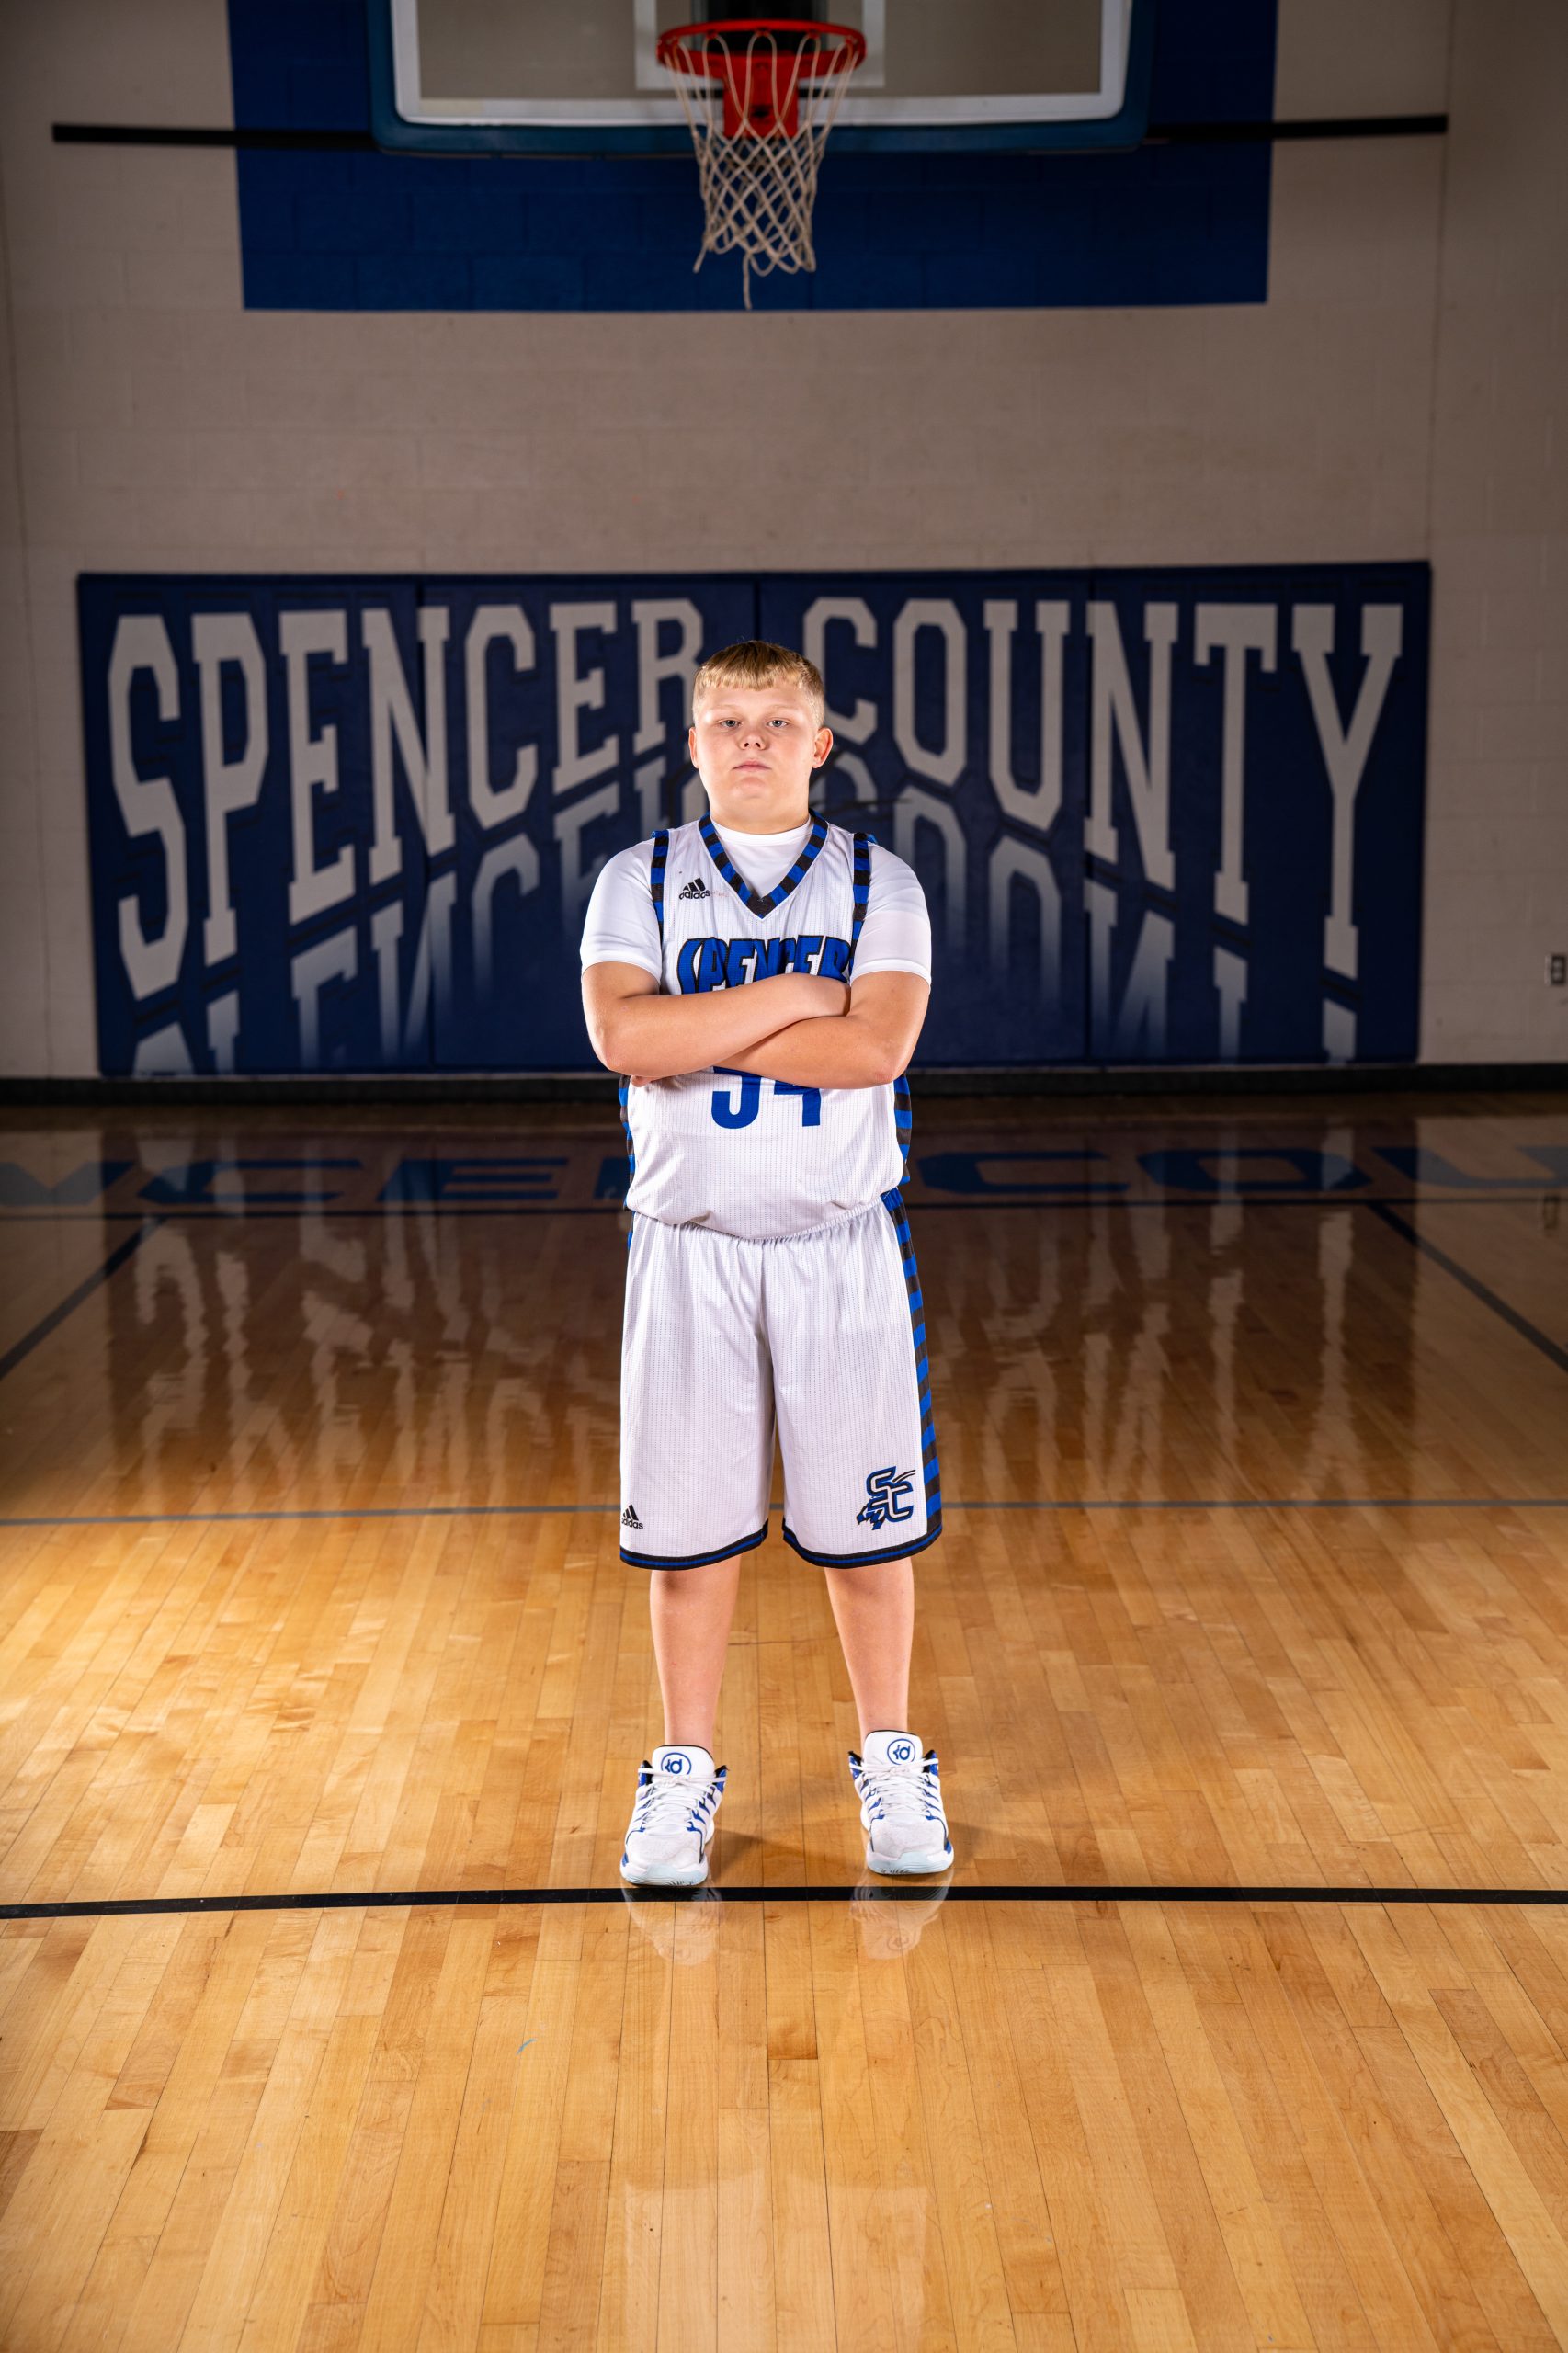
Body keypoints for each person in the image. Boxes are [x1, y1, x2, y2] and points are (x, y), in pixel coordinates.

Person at [580, 639, 950, 1888]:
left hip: (837, 1246)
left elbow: (874, 1053)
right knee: (688, 1543)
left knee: (869, 1535)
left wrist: (691, 1032)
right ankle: (682, 1770)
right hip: (688, 1249)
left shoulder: (879, 883)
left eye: (777, 722)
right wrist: (799, 991)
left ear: (819, 744)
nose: (752, 740)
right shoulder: (637, 878)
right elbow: (621, 1038)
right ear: (693, 745)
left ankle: (890, 1757)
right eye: (728, 722)